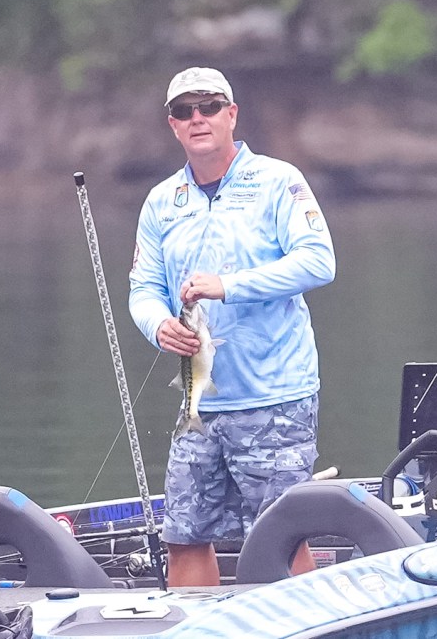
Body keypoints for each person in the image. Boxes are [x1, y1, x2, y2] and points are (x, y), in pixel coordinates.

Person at [129, 67, 336, 586]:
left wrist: (229, 285)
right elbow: (143, 289)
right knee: (184, 535)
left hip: (275, 398)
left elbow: (319, 261)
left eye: (209, 106)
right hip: (200, 404)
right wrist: (158, 326)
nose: (197, 118)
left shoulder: (278, 180)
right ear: (173, 125)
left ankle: (301, 619)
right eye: (184, 111)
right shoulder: (160, 201)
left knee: (281, 538)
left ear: (232, 114)